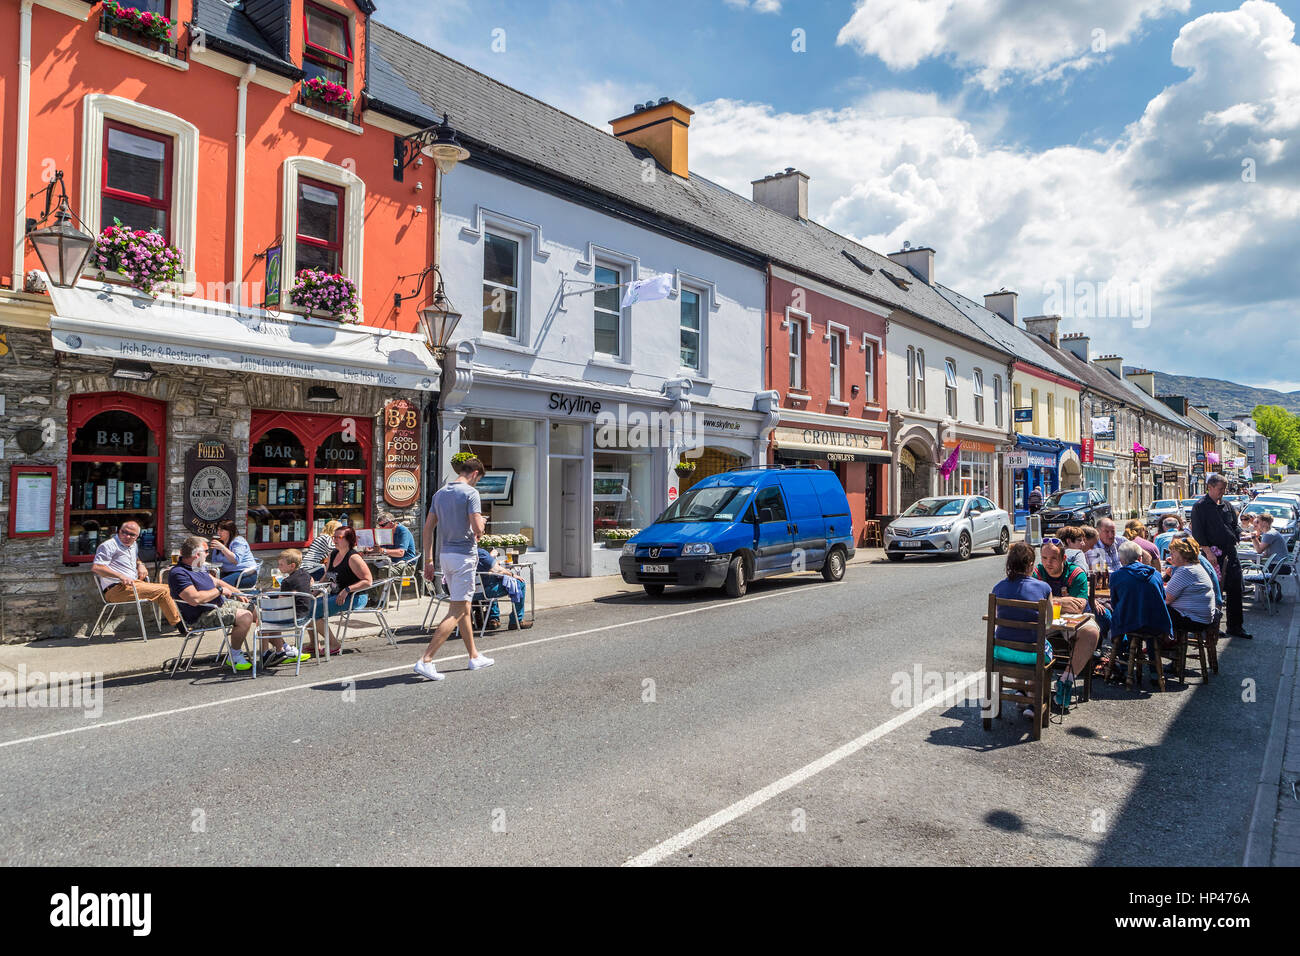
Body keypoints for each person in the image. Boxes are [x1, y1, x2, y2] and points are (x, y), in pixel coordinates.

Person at [416, 456, 494, 680]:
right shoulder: (471, 494)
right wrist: (483, 524)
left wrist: (428, 561)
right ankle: (426, 659)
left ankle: (474, 656)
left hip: (445, 556)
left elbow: (428, 529)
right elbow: (477, 528)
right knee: (457, 610)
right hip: (464, 557)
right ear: (475, 474)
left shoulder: (439, 494)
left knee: (464, 606)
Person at [168, 536, 283, 672]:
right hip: (202, 614)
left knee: (263, 612)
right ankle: (234, 655)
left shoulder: (196, 566)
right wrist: (220, 591)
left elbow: (216, 581)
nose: (208, 554)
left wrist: (238, 593)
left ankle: (279, 650)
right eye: (206, 551)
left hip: (220, 605)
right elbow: (195, 599)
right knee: (245, 616)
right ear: (197, 555)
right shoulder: (179, 573)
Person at [990, 541, 1054, 721]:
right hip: (1031, 654)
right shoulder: (1043, 588)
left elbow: (996, 617)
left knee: (1017, 640)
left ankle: (1021, 690)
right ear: (1031, 565)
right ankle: (1034, 704)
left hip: (1001, 653)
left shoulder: (998, 588)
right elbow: (1049, 623)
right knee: (1040, 646)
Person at [1034, 539, 1101, 707]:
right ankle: (1029, 684)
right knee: (1023, 627)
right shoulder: (1037, 572)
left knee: (1092, 632)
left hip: (1071, 622)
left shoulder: (1076, 573)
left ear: (1063, 559)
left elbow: (1079, 606)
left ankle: (1066, 681)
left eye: (1053, 558)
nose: (1048, 563)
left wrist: (1049, 601)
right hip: (1047, 620)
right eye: (1044, 558)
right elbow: (1033, 601)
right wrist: (1062, 601)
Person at [91, 520, 185, 634]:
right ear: (119, 531)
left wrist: (141, 565)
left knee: (167, 588)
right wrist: (120, 576)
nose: (127, 536)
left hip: (134, 585)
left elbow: (134, 558)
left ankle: (181, 624)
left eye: (132, 535)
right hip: (116, 589)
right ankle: (183, 626)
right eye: (124, 532)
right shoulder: (108, 546)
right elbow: (97, 567)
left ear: (137, 537)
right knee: (164, 591)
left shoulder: (133, 545)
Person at [1191, 474, 1252, 640]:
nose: (1222, 492)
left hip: (1229, 552)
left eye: (1224, 489)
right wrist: (1207, 551)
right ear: (1210, 487)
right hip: (1211, 553)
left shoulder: (1227, 505)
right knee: (1213, 591)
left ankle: (1236, 626)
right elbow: (1197, 532)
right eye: (1220, 489)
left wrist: (1243, 535)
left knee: (1235, 588)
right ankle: (1212, 627)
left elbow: (1234, 526)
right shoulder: (1200, 506)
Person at [1109, 539, 1174, 685]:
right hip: (1156, 623)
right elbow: (1162, 597)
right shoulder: (1156, 574)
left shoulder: (1116, 576)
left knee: (1117, 621)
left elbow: (1114, 602)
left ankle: (1124, 664)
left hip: (1129, 623)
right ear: (1140, 558)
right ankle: (1154, 673)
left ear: (1121, 560)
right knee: (1149, 623)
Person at [313, 525, 374, 655]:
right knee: (307, 605)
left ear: (349, 539)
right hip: (335, 595)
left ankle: (334, 645)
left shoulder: (353, 558)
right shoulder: (333, 554)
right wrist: (314, 593)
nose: (335, 540)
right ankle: (314, 644)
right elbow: (326, 577)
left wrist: (347, 589)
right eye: (333, 537)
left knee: (312, 612)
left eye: (338, 537)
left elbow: (368, 581)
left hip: (355, 597)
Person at [1163, 536, 1219, 635]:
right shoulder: (1194, 567)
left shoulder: (1185, 570)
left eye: (1173, 552)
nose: (1170, 555)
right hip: (1201, 617)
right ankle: (1165, 643)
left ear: (1184, 553)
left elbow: (1167, 599)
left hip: (1193, 619)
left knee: (1150, 609)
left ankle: (1158, 645)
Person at [477, 547, 530, 631]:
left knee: (491, 581)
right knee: (520, 583)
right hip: (485, 592)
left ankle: (494, 619)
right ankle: (516, 621)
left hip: (467, 594)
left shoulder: (457, 554)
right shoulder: (479, 552)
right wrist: (512, 575)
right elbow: (497, 569)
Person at [275, 549, 319, 644]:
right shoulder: (304, 574)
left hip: (294, 618)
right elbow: (312, 581)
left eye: (281, 564)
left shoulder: (286, 582)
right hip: (306, 615)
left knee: (267, 620)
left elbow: (280, 604)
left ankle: (281, 648)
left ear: (292, 566)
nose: (278, 567)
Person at [208, 519, 259, 586]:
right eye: (218, 530)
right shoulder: (220, 542)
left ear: (229, 531)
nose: (218, 533)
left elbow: (236, 560)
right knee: (207, 582)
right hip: (228, 573)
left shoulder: (238, 541)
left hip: (245, 573)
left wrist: (222, 548)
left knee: (219, 585)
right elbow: (214, 562)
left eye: (221, 530)